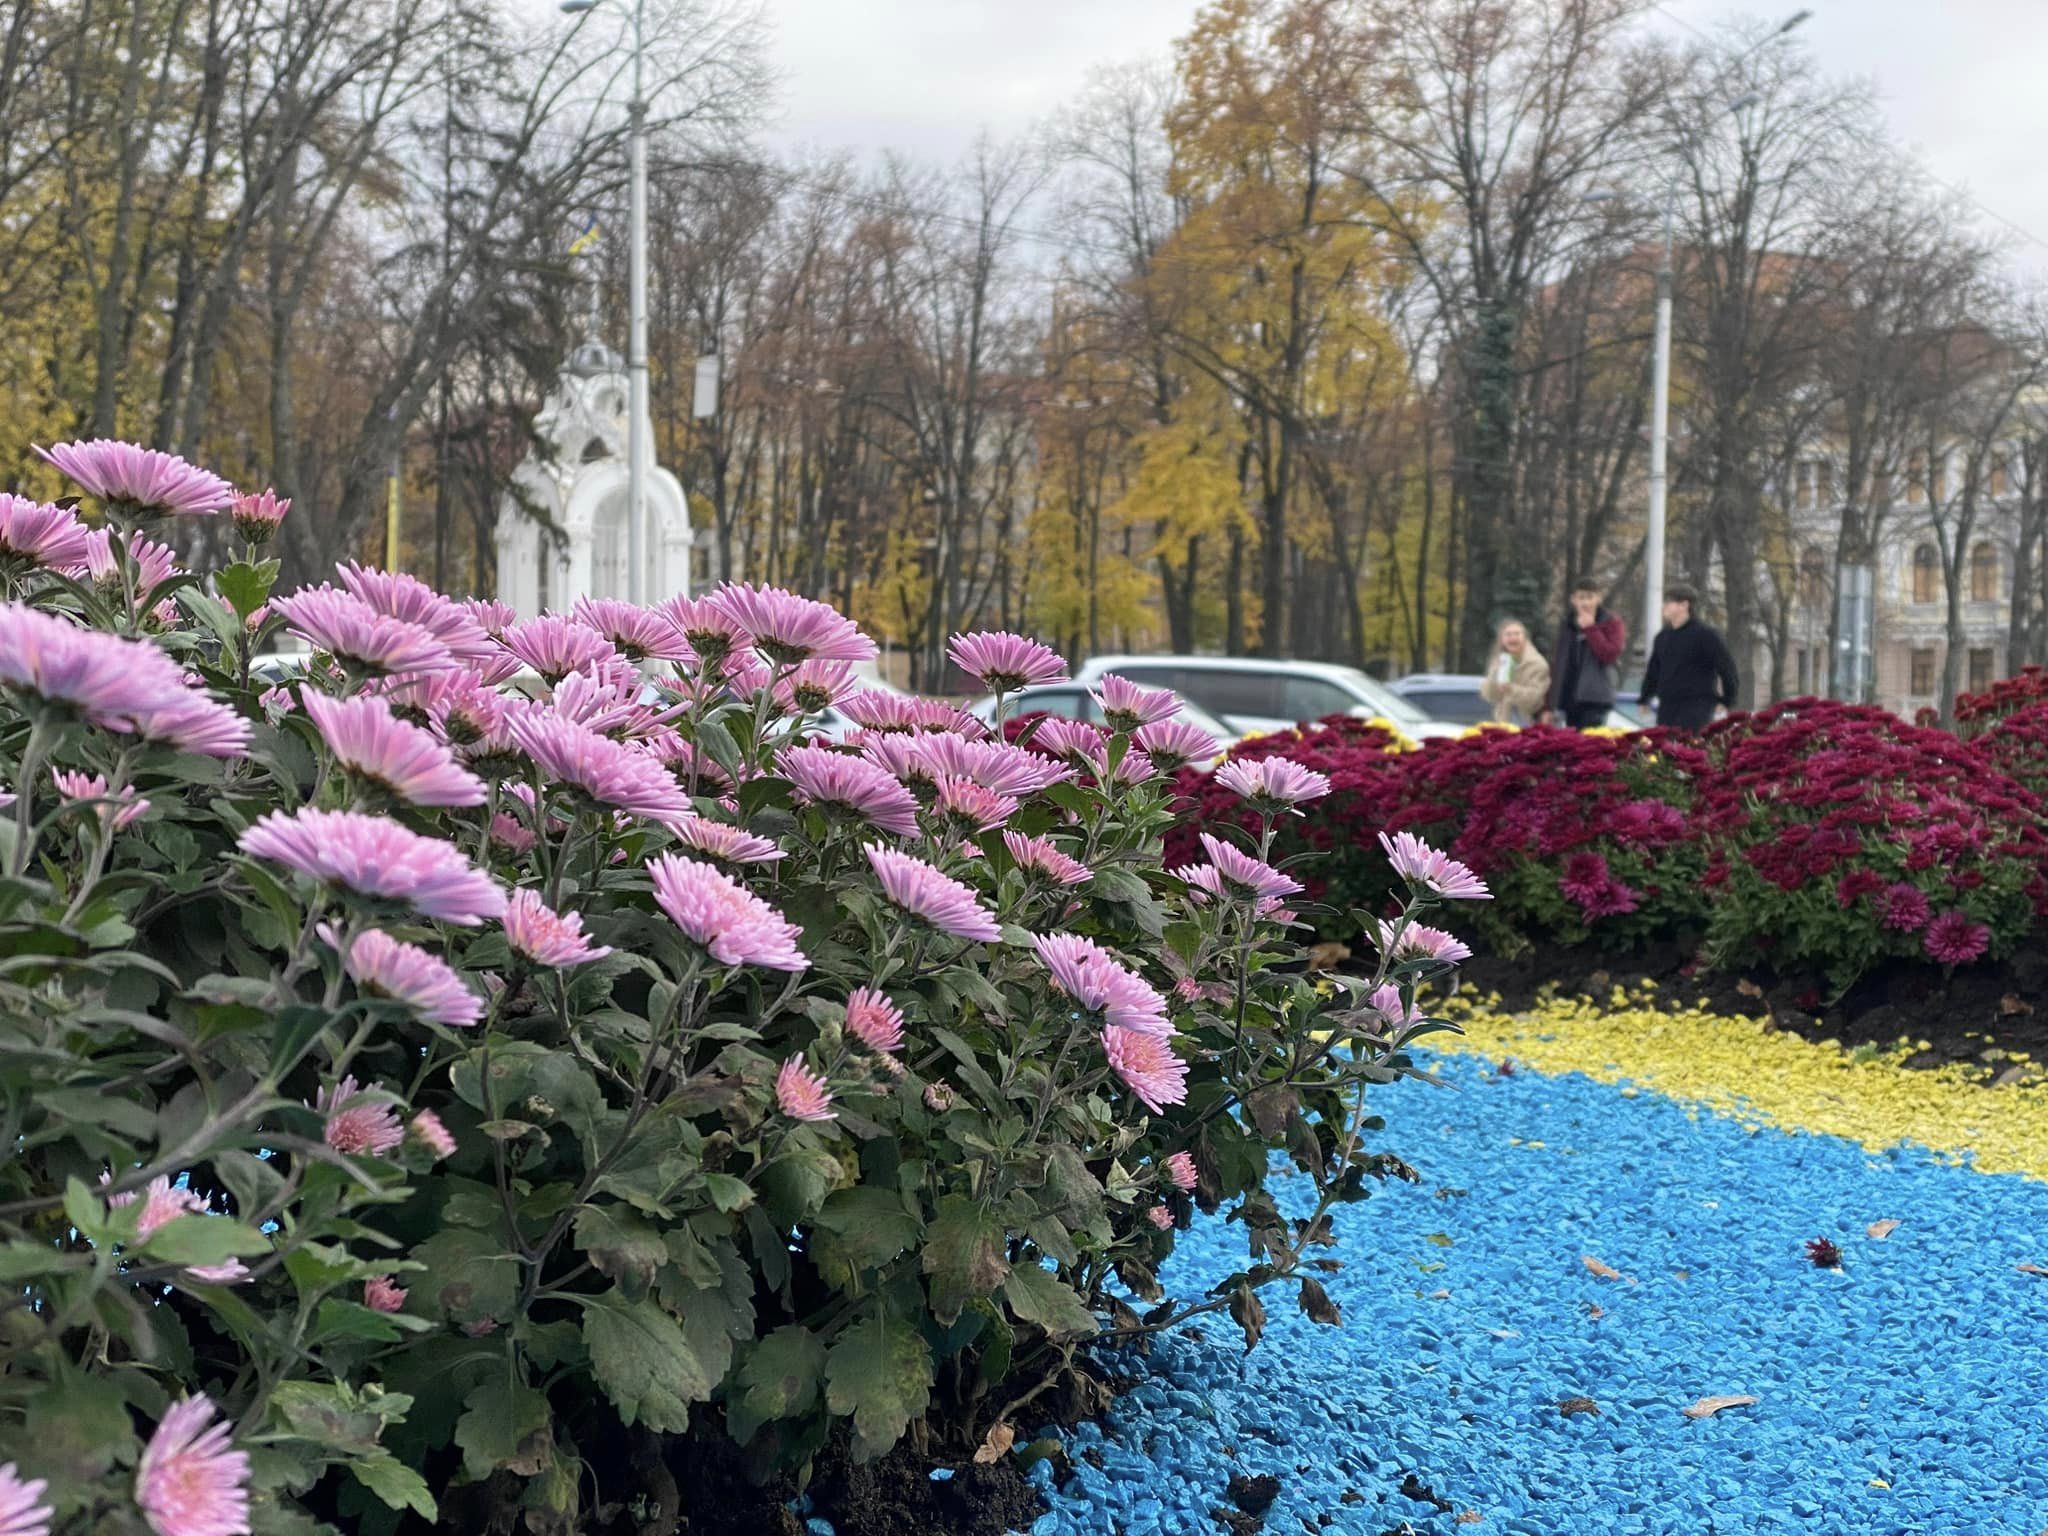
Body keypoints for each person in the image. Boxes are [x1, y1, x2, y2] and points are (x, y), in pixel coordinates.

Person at [1640, 581, 1739, 730]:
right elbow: (1654, 671)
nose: (1664, 606)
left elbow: (1727, 668)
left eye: (1669, 602)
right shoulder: (1662, 637)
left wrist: (1727, 700)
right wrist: (1645, 698)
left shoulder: (1705, 635)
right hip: (1667, 706)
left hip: (1697, 706)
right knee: (1666, 750)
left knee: (1690, 749)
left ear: (1684, 605)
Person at [1543, 579, 1626, 730]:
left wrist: (1591, 628)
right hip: (1569, 697)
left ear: (1598, 598)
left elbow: (1609, 654)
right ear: (1573, 600)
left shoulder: (1611, 622)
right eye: (1581, 598)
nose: (1585, 603)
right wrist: (1549, 705)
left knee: (1590, 746)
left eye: (1590, 597)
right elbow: (1558, 664)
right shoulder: (1567, 624)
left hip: (1595, 698)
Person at [1478, 619, 1551, 725]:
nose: (1513, 638)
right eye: (1508, 634)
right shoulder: (1500, 661)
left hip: (1529, 727)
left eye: (1517, 634)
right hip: (1503, 725)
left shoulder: (1537, 664)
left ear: (1525, 638)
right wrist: (1494, 674)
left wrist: (1511, 689)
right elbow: (1489, 696)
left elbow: (1535, 701)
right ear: (1502, 640)